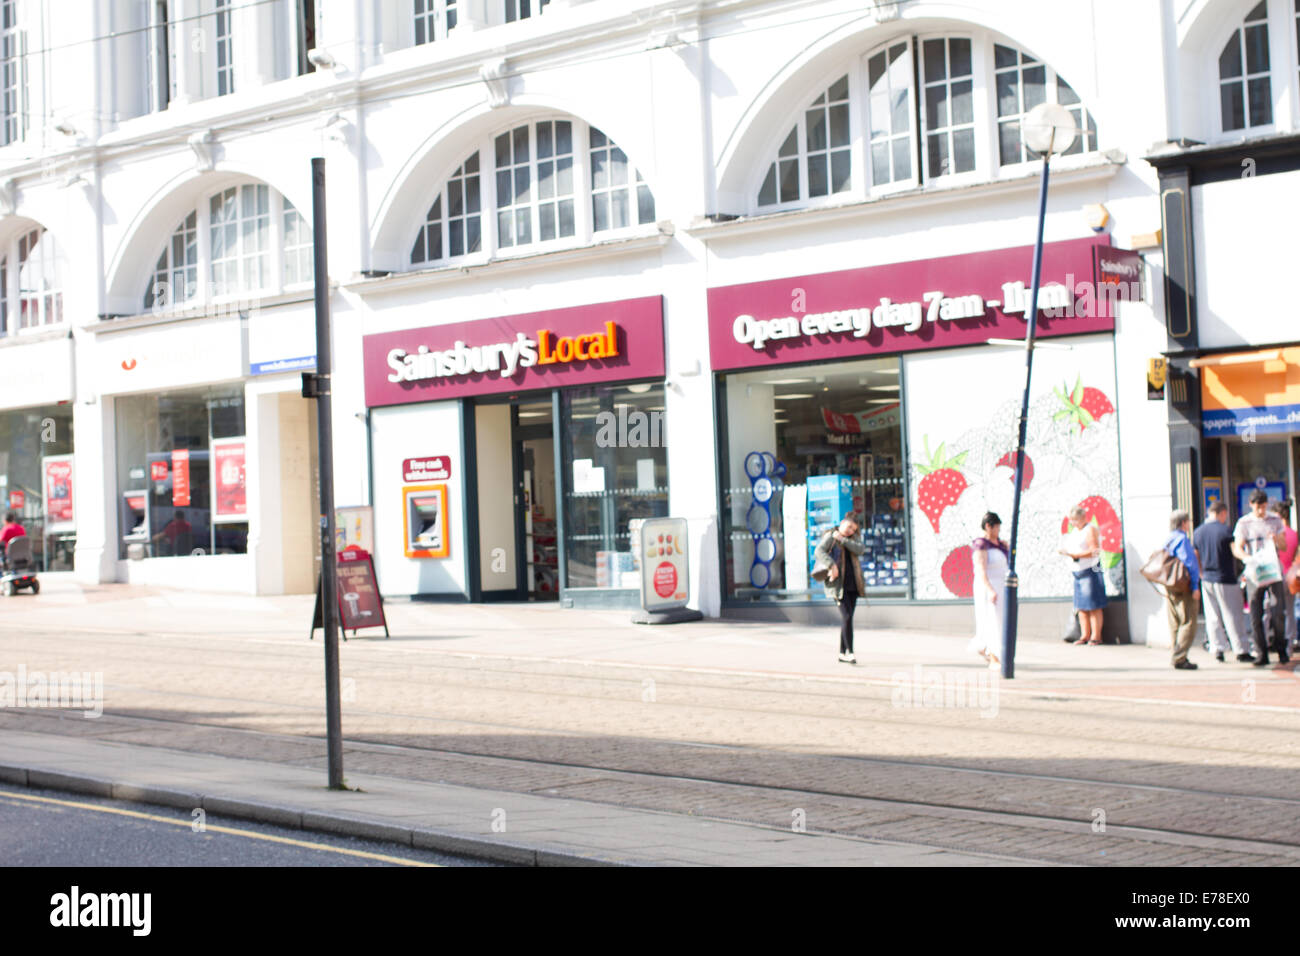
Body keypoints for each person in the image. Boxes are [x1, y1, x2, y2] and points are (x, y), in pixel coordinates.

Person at [1232, 489, 1290, 666]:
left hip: (1273, 571)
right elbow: (1237, 547)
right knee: (1256, 614)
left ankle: (1281, 648)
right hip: (1255, 573)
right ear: (1251, 505)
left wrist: (1275, 539)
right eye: (1258, 507)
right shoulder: (1244, 522)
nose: (1261, 511)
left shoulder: (1274, 520)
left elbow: (1284, 546)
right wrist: (1247, 559)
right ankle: (1261, 653)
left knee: (1278, 611)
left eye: (1263, 507)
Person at [1194, 501, 1254, 662]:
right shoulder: (1226, 530)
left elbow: (1196, 555)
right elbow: (1236, 550)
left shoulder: (1198, 532)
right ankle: (1241, 650)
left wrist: (1201, 573)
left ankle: (1217, 648)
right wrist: (1249, 559)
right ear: (1222, 512)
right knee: (1233, 615)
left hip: (1207, 579)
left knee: (1212, 616)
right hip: (1225, 578)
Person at [814, 511, 866, 665]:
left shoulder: (851, 539)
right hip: (838, 586)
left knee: (847, 619)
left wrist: (843, 539)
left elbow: (860, 549)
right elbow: (819, 551)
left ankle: (842, 653)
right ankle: (850, 652)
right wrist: (831, 565)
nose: (850, 531)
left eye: (853, 529)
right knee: (847, 617)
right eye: (849, 527)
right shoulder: (831, 536)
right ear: (843, 522)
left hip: (853, 586)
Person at [1059, 505, 1107, 645]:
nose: (1073, 523)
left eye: (1075, 520)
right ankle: (1084, 635)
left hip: (1090, 569)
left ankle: (1096, 636)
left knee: (1093, 605)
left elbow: (1095, 550)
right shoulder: (1075, 531)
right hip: (1077, 571)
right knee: (1081, 606)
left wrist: (1077, 555)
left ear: (1083, 518)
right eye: (1072, 520)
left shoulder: (1090, 529)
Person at [967, 512, 1008, 668]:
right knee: (991, 620)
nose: (998, 530)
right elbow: (980, 570)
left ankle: (992, 650)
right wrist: (990, 589)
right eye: (996, 527)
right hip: (988, 586)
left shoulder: (1000, 544)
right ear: (988, 526)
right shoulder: (981, 544)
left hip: (1000, 585)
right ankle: (993, 656)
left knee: (1000, 620)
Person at [1164, 510, 1202, 670]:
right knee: (1188, 621)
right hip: (1183, 585)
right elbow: (1190, 563)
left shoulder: (1168, 539)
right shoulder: (1182, 539)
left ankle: (1176, 653)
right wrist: (1195, 586)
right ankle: (1179, 657)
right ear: (1183, 523)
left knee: (1175, 622)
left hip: (1170, 585)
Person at [1271, 500, 1297, 656]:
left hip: (1277, 575)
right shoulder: (1294, 534)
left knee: (1272, 610)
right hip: (1291, 576)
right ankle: (1290, 641)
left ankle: (1274, 640)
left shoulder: (1278, 535)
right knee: (1290, 611)